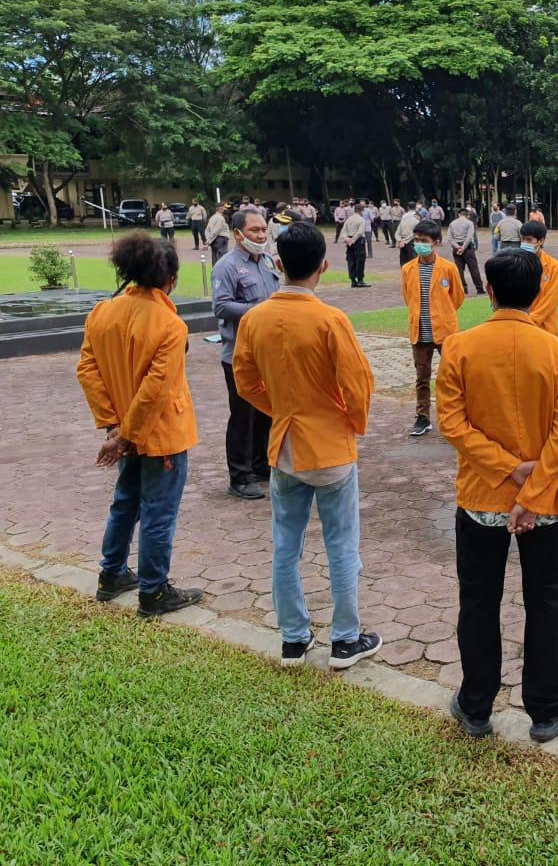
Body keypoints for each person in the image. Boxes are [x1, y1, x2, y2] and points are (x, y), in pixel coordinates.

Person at [436, 250, 558, 743]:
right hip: (547, 504)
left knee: (478, 601)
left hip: (482, 499)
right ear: (540, 293)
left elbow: (453, 424)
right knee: (545, 603)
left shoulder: (459, 347)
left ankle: (476, 704)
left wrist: (506, 471)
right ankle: (545, 708)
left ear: (491, 292)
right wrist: (534, 489)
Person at [232, 219, 382, 670]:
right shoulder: (329, 319)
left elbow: (244, 381)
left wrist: (278, 407)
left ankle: (294, 639)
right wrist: (351, 421)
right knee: (341, 543)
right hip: (330, 445)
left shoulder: (255, 318)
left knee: (286, 545)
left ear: (278, 263)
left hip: (285, 446)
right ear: (323, 266)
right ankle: (345, 638)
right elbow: (358, 384)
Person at [75, 231, 204, 617]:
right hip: (161, 437)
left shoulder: (102, 312)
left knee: (125, 504)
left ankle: (111, 574)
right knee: (158, 514)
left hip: (126, 434)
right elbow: (155, 391)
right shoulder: (169, 324)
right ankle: (153, 591)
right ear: (172, 280)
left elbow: (87, 370)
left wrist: (115, 427)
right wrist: (126, 435)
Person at [211, 209, 281, 501]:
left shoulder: (266, 262)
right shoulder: (226, 266)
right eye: (254, 231)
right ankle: (238, 477)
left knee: (266, 411)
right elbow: (222, 307)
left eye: (263, 230)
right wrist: (259, 311)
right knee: (242, 416)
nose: (261, 236)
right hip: (239, 354)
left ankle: (260, 464)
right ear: (238, 234)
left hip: (267, 351)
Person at [401, 220, 466, 437]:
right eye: (417, 240)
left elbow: (457, 297)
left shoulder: (448, 268)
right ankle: (423, 417)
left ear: (435, 242)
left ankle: (454, 417)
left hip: (445, 331)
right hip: (419, 332)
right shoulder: (408, 269)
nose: (419, 244)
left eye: (424, 241)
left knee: (450, 377)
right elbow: (407, 298)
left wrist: (442, 314)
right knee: (422, 377)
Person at [521, 221, 558, 335]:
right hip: (520, 325)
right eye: (523, 239)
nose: (524, 243)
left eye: (529, 240)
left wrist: (531, 320)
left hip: (546, 327)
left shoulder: (554, 267)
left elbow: (552, 298)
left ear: (541, 241)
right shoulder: (516, 264)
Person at [447, 207, 483, 294]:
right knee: (473, 269)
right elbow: (470, 237)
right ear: (468, 215)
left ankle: (463, 288)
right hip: (468, 248)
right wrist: (463, 248)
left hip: (456, 248)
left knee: (459, 270)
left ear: (459, 214)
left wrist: (458, 247)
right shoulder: (469, 223)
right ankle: (479, 288)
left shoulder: (452, 223)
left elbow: (449, 238)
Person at [341, 201, 370, 287]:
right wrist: (352, 240)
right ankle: (360, 279)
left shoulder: (349, 219)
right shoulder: (361, 219)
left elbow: (343, 231)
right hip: (358, 241)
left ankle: (353, 280)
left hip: (349, 240)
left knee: (350, 260)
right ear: (361, 210)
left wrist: (347, 239)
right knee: (360, 260)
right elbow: (360, 232)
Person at [397, 202, 422, 266]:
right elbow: (416, 231)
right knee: (413, 259)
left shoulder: (404, 216)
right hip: (412, 240)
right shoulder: (417, 216)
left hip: (403, 240)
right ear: (415, 207)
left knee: (404, 260)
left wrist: (401, 240)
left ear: (408, 207)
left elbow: (399, 229)